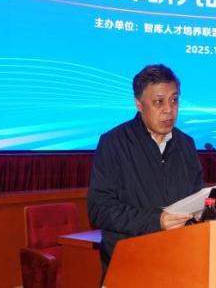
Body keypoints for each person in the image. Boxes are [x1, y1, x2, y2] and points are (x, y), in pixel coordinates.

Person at [87, 64, 205, 282]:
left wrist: (202, 211)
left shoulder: (186, 144)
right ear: (139, 104)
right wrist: (156, 221)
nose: (169, 110)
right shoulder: (114, 143)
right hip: (131, 265)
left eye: (174, 100)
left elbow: (197, 196)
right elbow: (100, 209)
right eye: (159, 102)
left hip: (180, 263)